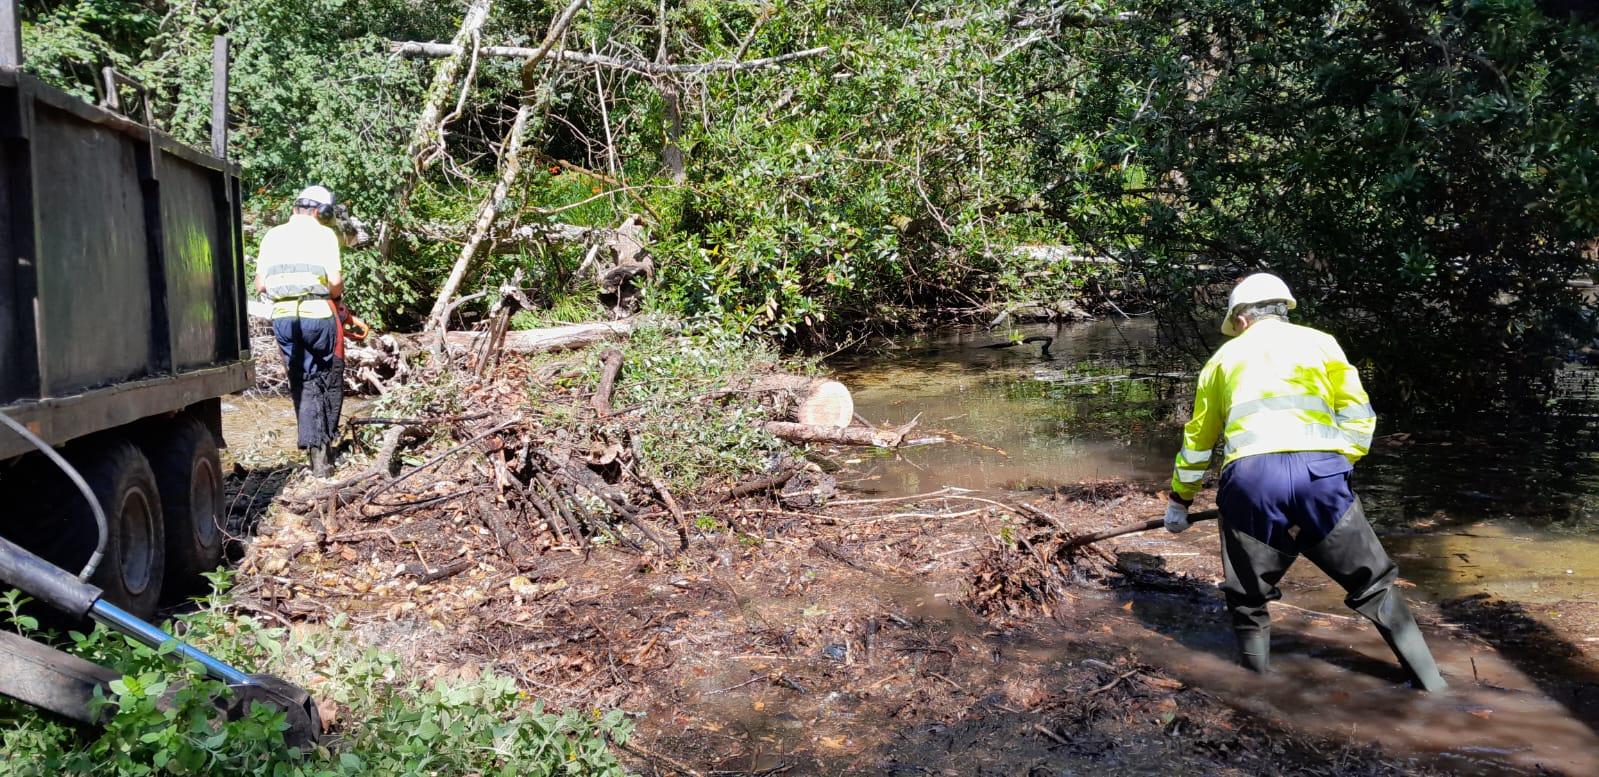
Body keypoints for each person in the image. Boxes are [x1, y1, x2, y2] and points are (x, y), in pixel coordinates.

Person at [1164, 272, 1446, 692]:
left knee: (1248, 596)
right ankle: (1433, 686)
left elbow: (1198, 441)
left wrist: (1180, 501)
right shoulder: (1321, 343)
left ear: (1240, 319)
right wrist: (1339, 463)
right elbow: (1359, 415)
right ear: (1283, 309)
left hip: (1252, 481)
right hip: (1321, 474)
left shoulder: (1221, 360)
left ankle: (1255, 692)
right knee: (1375, 584)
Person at [255, 186, 345, 477]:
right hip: (318, 315)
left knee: (302, 381)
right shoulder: (324, 235)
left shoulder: (272, 236)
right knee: (327, 378)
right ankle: (323, 457)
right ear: (321, 212)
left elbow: (260, 285)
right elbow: (335, 283)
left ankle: (313, 456)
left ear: (295, 208)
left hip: (283, 318)